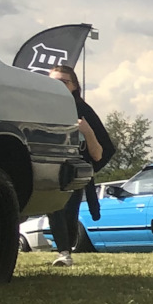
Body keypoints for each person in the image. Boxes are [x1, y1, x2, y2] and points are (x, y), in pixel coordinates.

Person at [47, 66, 116, 267]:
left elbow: (105, 151)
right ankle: (63, 251)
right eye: (52, 82)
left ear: (74, 86)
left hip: (72, 169)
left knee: (65, 209)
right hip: (45, 165)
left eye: (63, 82)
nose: (57, 86)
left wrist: (87, 133)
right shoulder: (41, 105)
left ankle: (64, 252)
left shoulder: (82, 109)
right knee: (47, 208)